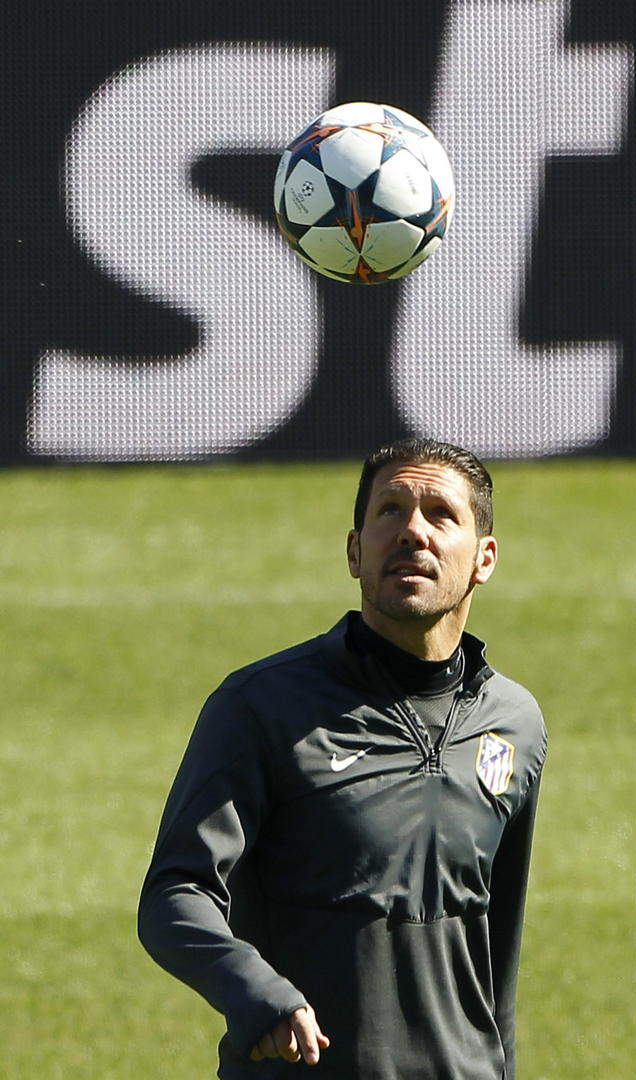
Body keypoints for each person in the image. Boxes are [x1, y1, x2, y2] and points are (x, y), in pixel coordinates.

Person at [138, 437, 547, 1080]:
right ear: (355, 551)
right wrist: (257, 992)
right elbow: (175, 894)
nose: (412, 531)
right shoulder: (262, 706)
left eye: (441, 514)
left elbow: (498, 941)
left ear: (484, 558)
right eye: (390, 510)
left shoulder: (515, 722)